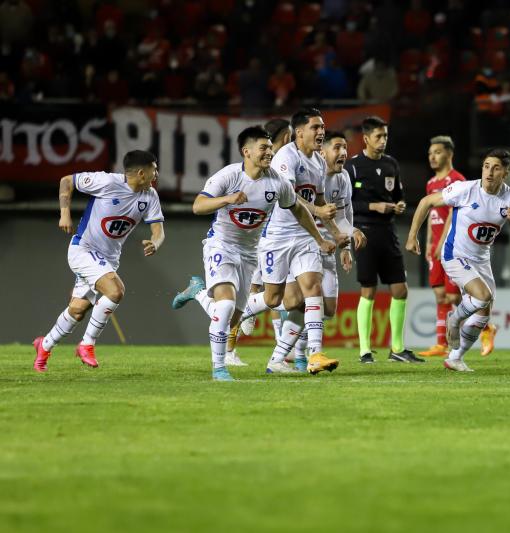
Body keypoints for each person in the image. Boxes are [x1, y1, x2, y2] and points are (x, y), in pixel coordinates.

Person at [172, 126, 333, 381]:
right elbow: (198, 206)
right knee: (225, 306)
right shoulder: (229, 176)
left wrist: (320, 239)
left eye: (270, 147)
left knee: (232, 317)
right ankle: (219, 369)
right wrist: (227, 199)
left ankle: (198, 292)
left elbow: (299, 210)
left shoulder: (276, 182)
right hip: (221, 246)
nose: (270, 152)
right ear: (246, 152)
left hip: (249, 254)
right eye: (264, 148)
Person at [236, 108, 346, 375]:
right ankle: (235, 311)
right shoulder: (286, 157)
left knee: (311, 289)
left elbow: (319, 200)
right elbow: (289, 197)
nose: (321, 132)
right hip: (278, 236)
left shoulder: (318, 162)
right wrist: (319, 212)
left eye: (322, 127)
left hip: (304, 235)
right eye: (315, 127)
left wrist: (334, 232)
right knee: (278, 299)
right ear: (299, 132)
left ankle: (312, 354)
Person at [33, 150, 165, 372]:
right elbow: (66, 181)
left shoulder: (150, 196)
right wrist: (64, 213)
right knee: (116, 291)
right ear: (141, 173)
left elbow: (158, 231)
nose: (157, 174)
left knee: (77, 311)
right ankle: (87, 344)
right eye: (154, 169)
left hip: (109, 259)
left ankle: (44, 346)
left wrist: (155, 243)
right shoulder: (106, 182)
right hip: (83, 250)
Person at [405, 149, 510, 372]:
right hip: (455, 255)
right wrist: (413, 236)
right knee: (483, 296)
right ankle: (454, 318)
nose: (489, 172)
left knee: (483, 314)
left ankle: (455, 357)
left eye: (496, 168)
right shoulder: (465, 189)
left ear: (505, 173)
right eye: (486, 166)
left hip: (481, 260)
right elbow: (426, 202)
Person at [345, 116, 424, 364]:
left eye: (385, 136)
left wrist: (399, 205)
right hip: (364, 233)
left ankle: (397, 349)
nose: (383, 140)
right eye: (378, 136)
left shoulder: (391, 164)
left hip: (388, 232)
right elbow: (346, 204)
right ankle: (365, 351)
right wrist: (373, 206)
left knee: (400, 289)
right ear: (366, 138)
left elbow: (399, 195)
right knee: (368, 290)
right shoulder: (353, 166)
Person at [286, 130, 367, 365]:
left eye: (345, 148)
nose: (343, 153)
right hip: (304, 244)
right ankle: (298, 352)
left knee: (328, 309)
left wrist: (349, 241)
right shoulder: (310, 173)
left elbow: (343, 216)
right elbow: (294, 202)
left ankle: (294, 350)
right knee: (299, 301)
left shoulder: (342, 179)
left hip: (329, 246)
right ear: (322, 152)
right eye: (337, 148)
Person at [226, 118, 293, 366]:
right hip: (266, 237)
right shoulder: (279, 163)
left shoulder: (272, 162)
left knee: (269, 292)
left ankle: (278, 348)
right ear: (286, 136)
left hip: (268, 235)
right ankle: (230, 349)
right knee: (256, 294)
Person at [418, 135, 468, 357]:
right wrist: (429, 242)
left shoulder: (457, 180)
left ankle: (479, 327)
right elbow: (432, 214)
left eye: (437, 152)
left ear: (449, 154)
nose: (432, 157)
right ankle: (441, 344)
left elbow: (452, 214)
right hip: (435, 247)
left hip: (451, 246)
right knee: (440, 295)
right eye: (430, 153)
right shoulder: (431, 183)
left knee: (454, 297)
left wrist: (441, 243)